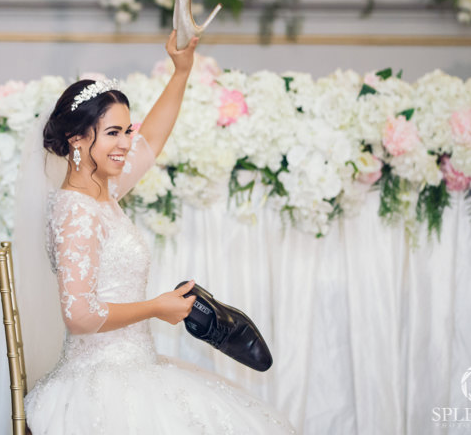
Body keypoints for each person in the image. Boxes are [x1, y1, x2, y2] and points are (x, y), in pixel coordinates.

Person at [22, 31, 295, 434]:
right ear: (76, 138)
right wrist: (156, 307)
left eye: (126, 130)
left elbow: (151, 139)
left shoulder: (102, 192)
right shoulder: (76, 210)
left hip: (139, 366)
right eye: (112, 133)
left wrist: (181, 70)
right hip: (103, 384)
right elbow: (79, 315)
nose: (126, 143)